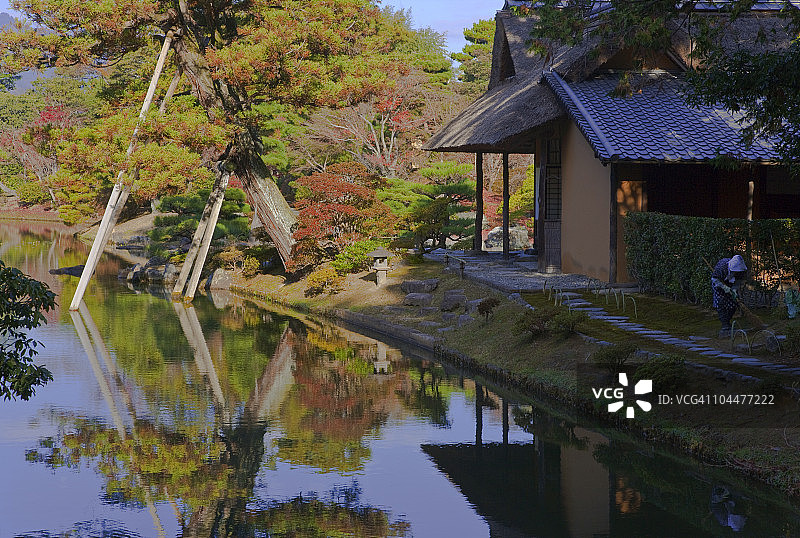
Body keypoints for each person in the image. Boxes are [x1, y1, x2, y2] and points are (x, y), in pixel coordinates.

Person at [711, 254, 748, 337]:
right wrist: (724, 287)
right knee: (721, 302)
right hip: (719, 284)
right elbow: (714, 279)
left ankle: (728, 321)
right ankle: (724, 325)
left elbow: (738, 281)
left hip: (731, 284)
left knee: (733, 303)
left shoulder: (741, 271)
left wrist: (734, 289)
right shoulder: (722, 266)